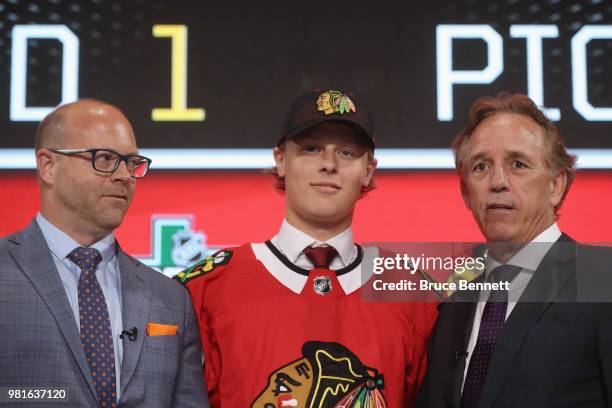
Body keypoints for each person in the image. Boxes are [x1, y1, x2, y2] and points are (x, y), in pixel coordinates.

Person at [175, 89, 437, 407]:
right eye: (311, 149)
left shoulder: (412, 293)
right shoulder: (207, 287)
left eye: (346, 152)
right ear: (281, 160)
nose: (328, 164)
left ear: (368, 170)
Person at [0, 100, 208, 407]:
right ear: (48, 166)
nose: (125, 175)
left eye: (132, 162)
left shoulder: (171, 299)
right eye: (105, 158)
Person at [416, 93, 612, 408]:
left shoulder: (603, 280)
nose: (498, 182)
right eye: (481, 167)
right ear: (466, 192)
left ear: (556, 184)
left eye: (518, 164)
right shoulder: (451, 304)